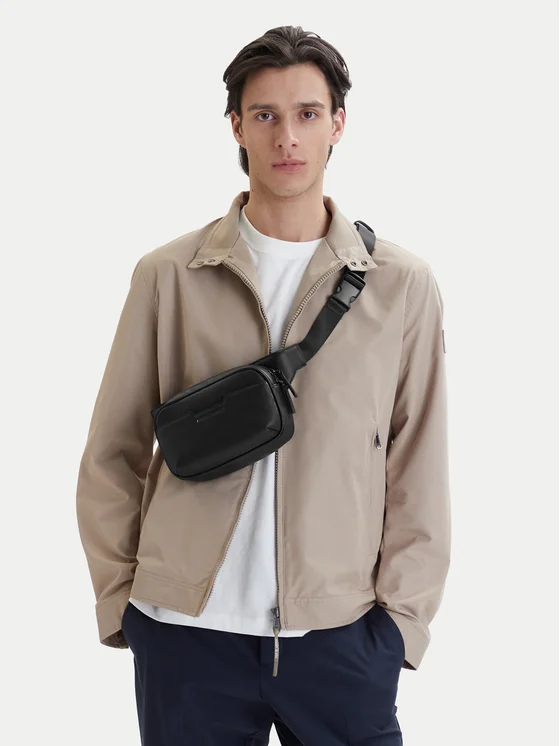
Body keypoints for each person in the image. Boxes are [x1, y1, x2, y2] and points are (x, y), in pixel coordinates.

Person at [76, 24, 451, 746]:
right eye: (265, 115)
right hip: (185, 637)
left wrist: (401, 625)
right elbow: (111, 453)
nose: (287, 137)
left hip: (341, 638)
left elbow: (419, 464)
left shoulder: (401, 286)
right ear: (236, 126)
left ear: (338, 124)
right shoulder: (169, 276)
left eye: (308, 113)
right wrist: (123, 601)